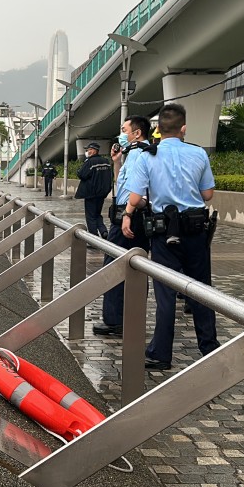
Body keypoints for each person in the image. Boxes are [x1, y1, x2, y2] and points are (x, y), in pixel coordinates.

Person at [121, 103, 219, 370]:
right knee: (201, 290)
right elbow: (207, 195)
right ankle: (209, 348)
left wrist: (129, 214)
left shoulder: (145, 156)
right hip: (196, 231)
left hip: (163, 232)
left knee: (165, 293)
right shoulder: (198, 154)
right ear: (183, 128)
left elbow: (135, 198)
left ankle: (160, 353)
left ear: (157, 130)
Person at [93, 116, 152, 337]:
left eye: (124, 129)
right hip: (125, 214)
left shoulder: (141, 154)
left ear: (137, 133)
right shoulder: (132, 154)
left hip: (130, 217)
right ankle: (127, 318)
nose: (121, 134)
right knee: (133, 267)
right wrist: (117, 162)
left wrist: (128, 213)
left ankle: (117, 320)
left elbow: (139, 190)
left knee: (116, 266)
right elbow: (123, 185)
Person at [75, 142, 113, 238]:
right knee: (97, 214)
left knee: (91, 216)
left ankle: (93, 238)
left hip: (91, 194)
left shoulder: (90, 162)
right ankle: (103, 231)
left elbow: (82, 174)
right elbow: (110, 176)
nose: (87, 151)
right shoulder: (106, 161)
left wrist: (78, 170)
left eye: (89, 150)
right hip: (102, 193)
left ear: (94, 150)